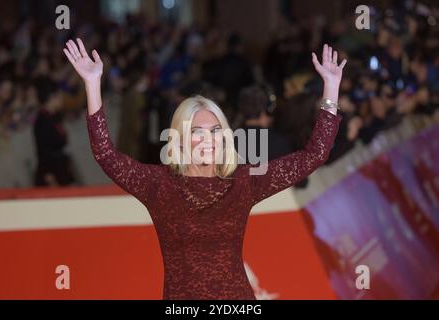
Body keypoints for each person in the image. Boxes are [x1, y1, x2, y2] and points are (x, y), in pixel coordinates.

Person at [64, 39, 345, 300]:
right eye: (197, 131)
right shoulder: (158, 185)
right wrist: (92, 84)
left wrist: (331, 89)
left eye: (215, 131)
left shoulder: (243, 182)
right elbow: (106, 155)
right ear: (181, 138)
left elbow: (314, 155)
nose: (208, 139)